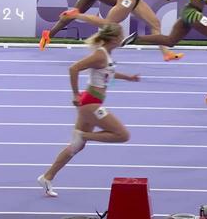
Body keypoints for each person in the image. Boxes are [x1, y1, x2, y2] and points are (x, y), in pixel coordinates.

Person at [37, 23, 140, 197]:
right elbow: (74, 68)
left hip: (91, 102)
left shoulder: (107, 54)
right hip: (91, 103)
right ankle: (84, 135)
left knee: (76, 147)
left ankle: (47, 177)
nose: (122, 39)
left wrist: (128, 77)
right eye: (120, 36)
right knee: (122, 135)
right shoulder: (100, 55)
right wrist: (75, 94)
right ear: (114, 39)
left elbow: (109, 73)